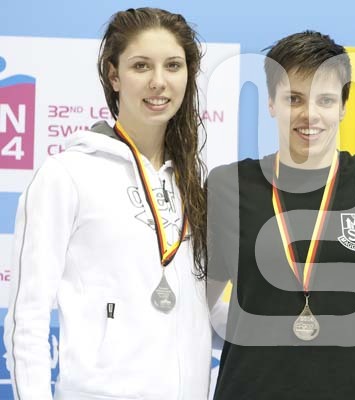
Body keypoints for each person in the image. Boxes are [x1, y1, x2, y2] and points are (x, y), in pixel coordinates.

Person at [4, 8, 211, 400]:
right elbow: (27, 318)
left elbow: (206, 312)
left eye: (172, 65)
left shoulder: (191, 184)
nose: (159, 81)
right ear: (114, 76)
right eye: (141, 66)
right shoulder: (67, 174)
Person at [207, 31, 355, 399]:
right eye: (294, 98)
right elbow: (197, 301)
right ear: (272, 102)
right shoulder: (229, 186)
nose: (309, 114)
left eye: (325, 99)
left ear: (343, 106)